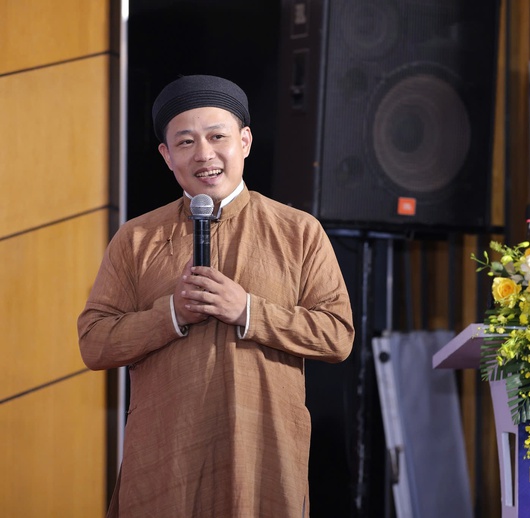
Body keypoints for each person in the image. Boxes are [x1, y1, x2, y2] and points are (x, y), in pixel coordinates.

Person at [78, 74, 355, 517]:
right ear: (167, 156)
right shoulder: (136, 239)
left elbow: (337, 335)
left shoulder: (298, 231)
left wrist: (248, 311)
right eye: (186, 142)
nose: (204, 154)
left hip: (261, 453)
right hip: (166, 460)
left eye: (217, 136)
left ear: (244, 141)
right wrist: (171, 314)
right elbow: (94, 342)